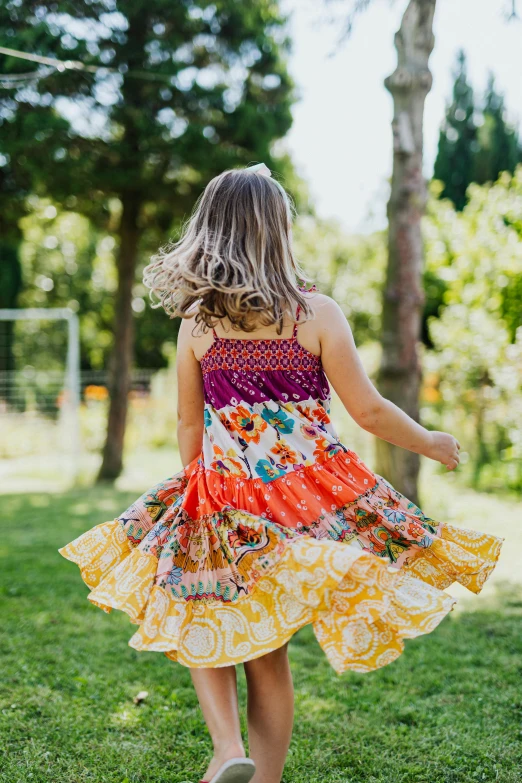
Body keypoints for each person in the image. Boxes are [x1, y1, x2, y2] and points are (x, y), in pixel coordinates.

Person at [59, 163, 503, 783]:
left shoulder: (198, 324)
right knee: (268, 656)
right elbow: (369, 411)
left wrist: (200, 491)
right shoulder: (316, 315)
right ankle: (262, 779)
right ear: (279, 232)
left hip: (219, 497)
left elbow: (190, 427)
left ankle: (225, 748)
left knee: (196, 613)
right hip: (302, 508)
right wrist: (429, 441)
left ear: (210, 234)